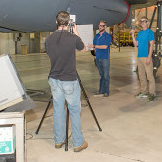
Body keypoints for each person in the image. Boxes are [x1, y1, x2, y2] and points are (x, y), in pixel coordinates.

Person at [45, 11, 88, 152]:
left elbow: (50, 53)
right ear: (69, 23)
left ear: (56, 22)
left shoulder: (48, 39)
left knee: (58, 110)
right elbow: (84, 49)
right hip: (69, 79)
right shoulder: (72, 38)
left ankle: (58, 141)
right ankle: (77, 143)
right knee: (74, 110)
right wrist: (76, 33)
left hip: (54, 79)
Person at [130, 16, 156, 102]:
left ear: (147, 22)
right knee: (141, 76)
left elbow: (152, 45)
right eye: (141, 22)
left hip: (146, 57)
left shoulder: (150, 32)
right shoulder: (140, 33)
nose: (142, 23)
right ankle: (143, 92)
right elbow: (135, 44)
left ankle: (152, 94)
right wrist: (133, 34)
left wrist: (149, 57)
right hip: (139, 57)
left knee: (150, 77)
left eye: (144, 21)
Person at [89, 20, 112, 97]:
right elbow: (93, 46)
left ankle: (106, 92)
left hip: (105, 58)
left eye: (102, 26)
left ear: (105, 27)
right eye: (99, 25)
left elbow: (105, 47)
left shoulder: (107, 36)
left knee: (106, 75)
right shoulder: (96, 36)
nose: (100, 27)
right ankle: (101, 91)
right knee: (102, 75)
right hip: (98, 58)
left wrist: (94, 47)